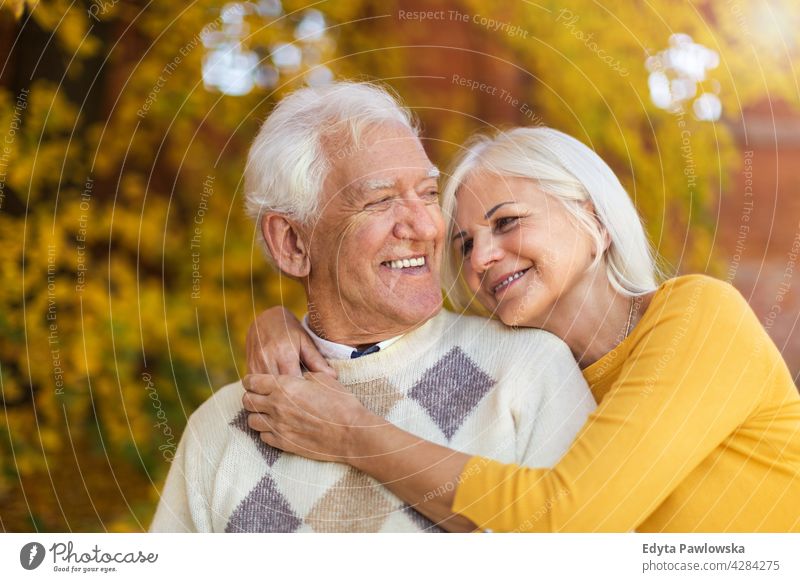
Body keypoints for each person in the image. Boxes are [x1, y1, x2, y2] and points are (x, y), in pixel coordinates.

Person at [244, 126, 800, 532]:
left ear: (596, 221)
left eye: (506, 222)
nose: (482, 257)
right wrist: (286, 327)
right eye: (463, 244)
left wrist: (351, 434)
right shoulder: (521, 373)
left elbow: (568, 518)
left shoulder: (699, 319)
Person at [149, 85, 595, 532]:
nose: (424, 225)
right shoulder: (221, 429)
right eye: (380, 200)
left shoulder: (530, 370)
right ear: (292, 243)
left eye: (426, 193)